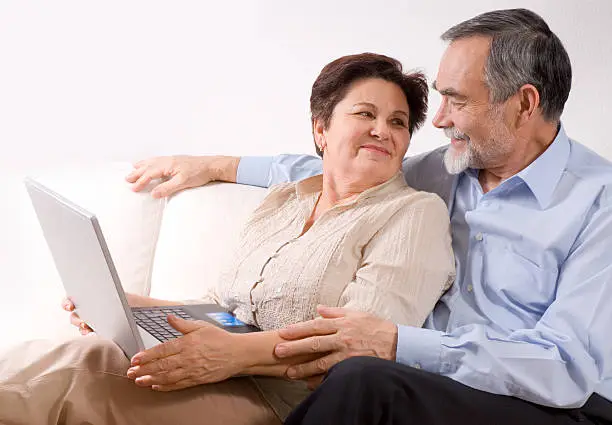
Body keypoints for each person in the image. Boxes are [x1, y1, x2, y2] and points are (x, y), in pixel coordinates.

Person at [123, 8, 612, 425]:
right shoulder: (448, 170)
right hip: (436, 387)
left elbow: (565, 368)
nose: (438, 119)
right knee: (362, 377)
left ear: (524, 103)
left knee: (361, 379)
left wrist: (399, 343)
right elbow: (338, 163)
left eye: (457, 100)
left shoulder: (599, 203)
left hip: (556, 406)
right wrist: (214, 165)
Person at [0, 53, 456, 425]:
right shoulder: (283, 200)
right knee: (81, 351)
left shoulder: (414, 214)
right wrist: (133, 305)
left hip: (288, 400)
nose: (383, 130)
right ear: (321, 129)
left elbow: (358, 344)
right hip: (218, 371)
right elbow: (224, 307)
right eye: (365, 114)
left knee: (79, 380)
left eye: (398, 122)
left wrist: (231, 356)